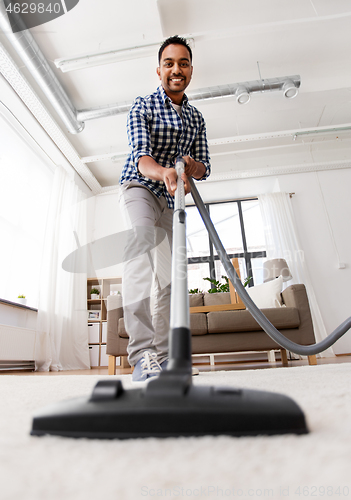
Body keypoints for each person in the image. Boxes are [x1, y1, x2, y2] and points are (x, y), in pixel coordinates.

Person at [119, 35, 211, 381]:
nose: (176, 69)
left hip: (173, 199)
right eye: (169, 63)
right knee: (141, 254)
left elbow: (205, 167)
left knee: (170, 278)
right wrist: (165, 172)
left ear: (190, 70)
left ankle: (164, 358)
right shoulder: (142, 105)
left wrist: (190, 164)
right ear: (159, 70)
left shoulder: (196, 118)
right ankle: (141, 356)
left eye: (183, 63)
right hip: (141, 187)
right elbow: (141, 158)